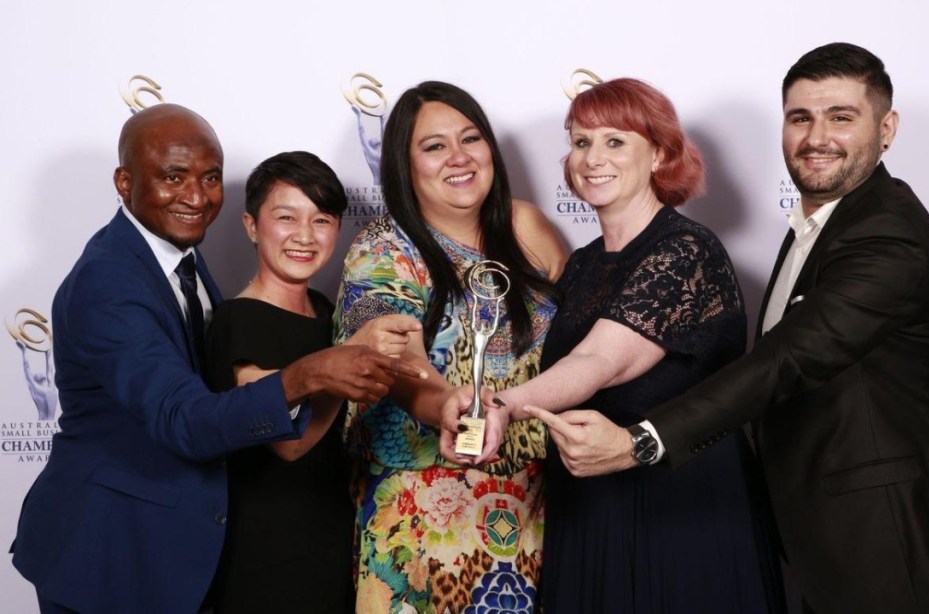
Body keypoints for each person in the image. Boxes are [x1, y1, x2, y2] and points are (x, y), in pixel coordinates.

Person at [524, 44, 929, 613]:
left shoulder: (888, 236)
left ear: (887, 128)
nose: (816, 136)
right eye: (800, 118)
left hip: (903, 542)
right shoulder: (819, 225)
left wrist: (640, 441)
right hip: (826, 540)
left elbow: (785, 360)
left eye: (841, 117)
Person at [10, 104, 425, 614]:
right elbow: (184, 418)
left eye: (210, 177)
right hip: (112, 553)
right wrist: (319, 370)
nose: (196, 196)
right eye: (173, 177)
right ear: (124, 182)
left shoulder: (177, 253)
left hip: (183, 547)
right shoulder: (108, 282)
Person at [440, 78, 785, 614]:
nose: (592, 157)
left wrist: (504, 406)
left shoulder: (686, 250)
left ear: (661, 154)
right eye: (580, 142)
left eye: (615, 141)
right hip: (593, 505)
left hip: (678, 508)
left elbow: (601, 360)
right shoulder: (582, 263)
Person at [335, 81, 566, 613]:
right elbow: (393, 357)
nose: (458, 158)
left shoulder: (527, 226)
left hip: (538, 511)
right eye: (434, 146)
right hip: (427, 522)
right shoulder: (383, 248)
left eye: (470, 138)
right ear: (403, 164)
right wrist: (443, 404)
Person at [202, 151, 422, 613]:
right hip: (266, 551)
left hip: (335, 536)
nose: (304, 236)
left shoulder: (327, 310)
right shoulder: (236, 320)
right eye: (286, 217)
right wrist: (348, 359)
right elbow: (288, 443)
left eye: (321, 220)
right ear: (250, 225)